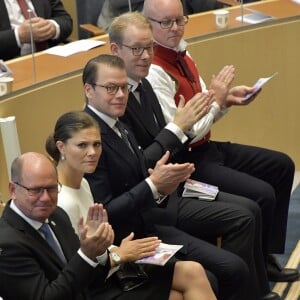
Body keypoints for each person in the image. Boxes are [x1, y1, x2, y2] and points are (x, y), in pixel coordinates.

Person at [108, 11, 280, 300]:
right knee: (244, 216)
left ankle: (256, 287)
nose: (146, 56)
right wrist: (179, 126)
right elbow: (144, 161)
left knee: (253, 204)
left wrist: (212, 106)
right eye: (136, 49)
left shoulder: (145, 84)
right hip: (154, 204)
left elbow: (167, 145)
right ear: (115, 50)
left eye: (149, 48)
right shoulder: (116, 106)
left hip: (174, 182)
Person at [143, 0, 299, 284]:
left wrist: (224, 100)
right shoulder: (154, 71)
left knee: (281, 165)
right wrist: (216, 100)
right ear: (148, 25)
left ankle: (266, 257)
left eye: (180, 20)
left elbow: (205, 109)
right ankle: (256, 276)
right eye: (165, 22)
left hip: (208, 148)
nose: (175, 28)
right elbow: (182, 132)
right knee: (261, 193)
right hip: (188, 161)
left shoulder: (182, 51)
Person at [45, 110, 216, 300]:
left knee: (193, 271)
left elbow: (98, 246)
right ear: (61, 147)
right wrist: (119, 254)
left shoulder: (83, 183)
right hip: (95, 288)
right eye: (82, 145)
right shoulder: (61, 201)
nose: (92, 153)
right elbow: (79, 269)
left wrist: (116, 250)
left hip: (111, 266)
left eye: (97, 144)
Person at [0, 0, 73, 61]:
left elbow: (65, 20)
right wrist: (18, 35)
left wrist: (52, 27)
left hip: (49, 56)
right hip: (10, 64)